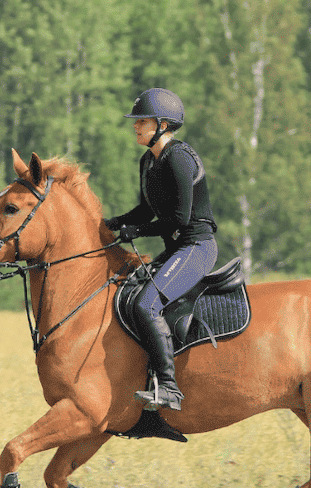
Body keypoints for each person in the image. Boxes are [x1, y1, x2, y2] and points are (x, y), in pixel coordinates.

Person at [105, 88, 218, 411]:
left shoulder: (179, 158)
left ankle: (168, 387)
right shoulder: (148, 162)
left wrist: (137, 231)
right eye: (136, 121)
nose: (135, 126)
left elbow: (179, 218)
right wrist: (109, 224)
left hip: (196, 246)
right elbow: (145, 211)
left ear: (164, 125)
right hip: (176, 248)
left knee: (146, 304)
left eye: (142, 121)